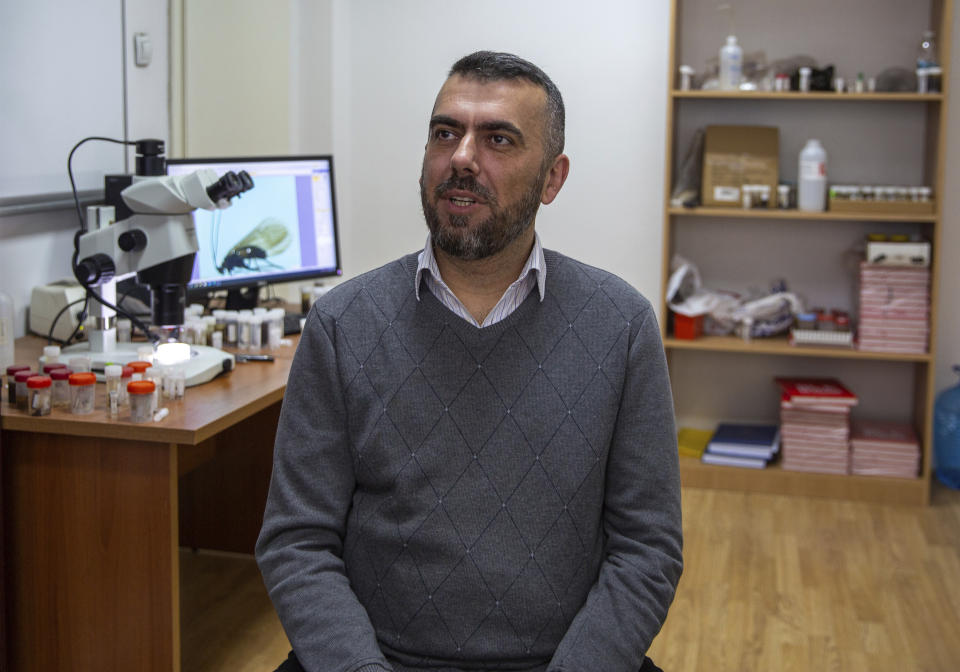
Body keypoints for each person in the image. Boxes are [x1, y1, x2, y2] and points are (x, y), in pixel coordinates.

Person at [256, 50, 683, 672]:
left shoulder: (621, 326)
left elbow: (648, 548)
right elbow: (297, 542)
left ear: (552, 179)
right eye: (445, 133)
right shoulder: (343, 324)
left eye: (499, 139)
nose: (461, 158)